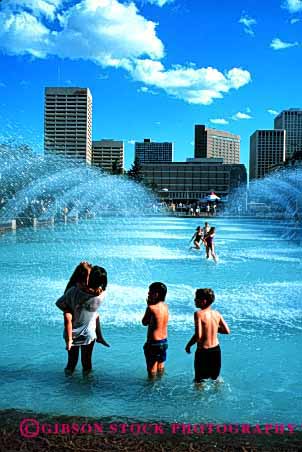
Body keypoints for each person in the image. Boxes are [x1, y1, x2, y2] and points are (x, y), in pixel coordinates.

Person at [56, 266, 109, 375]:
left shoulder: (74, 291)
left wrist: (69, 311)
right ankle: (87, 388)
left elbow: (59, 302)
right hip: (89, 333)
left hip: (72, 333)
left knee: (71, 363)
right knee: (87, 363)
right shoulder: (102, 294)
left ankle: (67, 388)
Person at [185, 288, 230, 383]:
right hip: (216, 350)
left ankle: (199, 398)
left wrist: (188, 345)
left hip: (203, 351)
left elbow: (199, 336)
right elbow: (227, 331)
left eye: (196, 298)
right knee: (215, 378)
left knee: (199, 380)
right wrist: (213, 328)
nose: (194, 300)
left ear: (204, 301)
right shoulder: (216, 313)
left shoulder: (198, 314)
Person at [142, 282, 169, 378]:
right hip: (164, 341)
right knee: (160, 366)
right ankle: (160, 383)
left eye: (150, 292)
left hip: (153, 343)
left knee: (151, 369)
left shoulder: (151, 308)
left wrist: (148, 305)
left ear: (157, 294)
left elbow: (144, 322)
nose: (148, 294)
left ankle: (151, 389)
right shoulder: (166, 307)